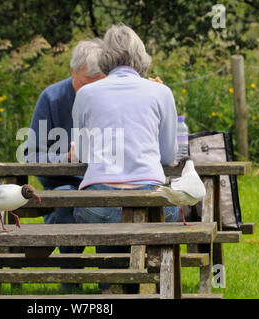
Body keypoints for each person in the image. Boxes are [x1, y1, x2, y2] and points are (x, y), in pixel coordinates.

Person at [71, 23, 180, 293]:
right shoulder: (161, 92)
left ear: (105, 57)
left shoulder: (85, 94)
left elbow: (82, 156)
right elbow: (169, 155)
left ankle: (110, 287)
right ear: (141, 56)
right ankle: (148, 283)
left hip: (97, 208)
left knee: (103, 207)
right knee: (160, 210)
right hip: (154, 204)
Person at [23, 40, 105, 290]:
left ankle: (112, 279)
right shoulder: (52, 97)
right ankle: (70, 279)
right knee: (66, 202)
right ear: (72, 73)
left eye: (98, 84)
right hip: (63, 185)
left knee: (112, 205)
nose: (91, 92)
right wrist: (64, 158)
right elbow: (31, 155)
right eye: (84, 85)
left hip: (105, 183)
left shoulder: (112, 97)